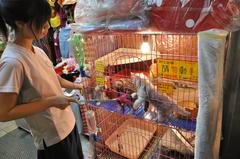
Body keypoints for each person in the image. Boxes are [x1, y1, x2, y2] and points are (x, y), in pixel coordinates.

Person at [0, 0, 85, 158]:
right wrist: (51, 101)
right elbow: (4, 113)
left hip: (68, 125)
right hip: (53, 138)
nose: (47, 25)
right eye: (41, 21)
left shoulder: (37, 50)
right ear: (20, 23)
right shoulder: (12, 62)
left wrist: (78, 86)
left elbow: (54, 78)